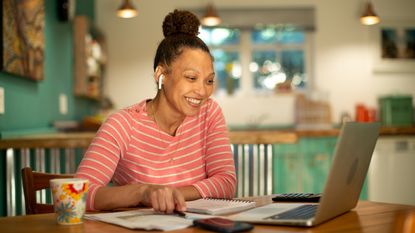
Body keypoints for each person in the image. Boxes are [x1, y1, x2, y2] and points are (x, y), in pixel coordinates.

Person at [75, 9, 236, 214]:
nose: (203, 91)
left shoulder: (209, 113)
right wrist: (143, 193)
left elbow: (226, 183)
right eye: (191, 77)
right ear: (161, 74)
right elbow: (79, 194)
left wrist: (171, 194)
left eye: (209, 81)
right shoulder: (122, 125)